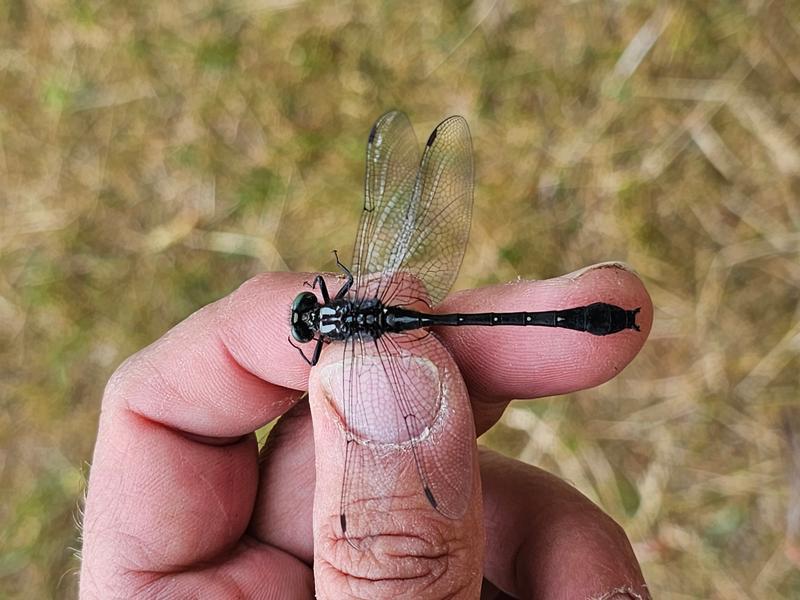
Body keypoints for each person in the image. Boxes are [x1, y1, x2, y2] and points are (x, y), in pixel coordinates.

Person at [79, 264, 652, 599]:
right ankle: (610, 318)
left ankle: (606, 318)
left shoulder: (337, 335)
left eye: (309, 313)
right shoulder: (343, 310)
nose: (308, 316)